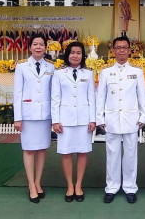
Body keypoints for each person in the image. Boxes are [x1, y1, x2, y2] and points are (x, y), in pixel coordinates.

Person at [96, 36, 145, 204]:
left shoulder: (137, 72)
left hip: (131, 119)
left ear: (129, 50)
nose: (121, 51)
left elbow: (142, 96)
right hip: (111, 119)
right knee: (112, 155)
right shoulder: (105, 72)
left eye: (124, 48)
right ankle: (111, 187)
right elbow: (100, 97)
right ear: (113, 50)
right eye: (118, 48)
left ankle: (130, 187)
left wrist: (143, 116)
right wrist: (100, 118)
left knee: (131, 155)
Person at [51, 42, 96, 202]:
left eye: (78, 53)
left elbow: (92, 98)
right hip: (65, 120)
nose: (75, 55)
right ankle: (70, 185)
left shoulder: (88, 74)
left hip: (84, 120)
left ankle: (79, 185)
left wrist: (93, 119)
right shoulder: (59, 74)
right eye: (72, 52)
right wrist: (55, 121)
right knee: (66, 152)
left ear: (83, 55)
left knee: (83, 152)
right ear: (67, 55)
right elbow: (55, 98)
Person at [13, 33, 55, 203]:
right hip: (28, 115)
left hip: (45, 115)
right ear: (30, 47)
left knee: (42, 148)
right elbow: (17, 93)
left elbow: (54, 93)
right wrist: (18, 118)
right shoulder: (22, 67)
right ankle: (31, 184)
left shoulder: (51, 68)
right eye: (35, 44)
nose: (38, 47)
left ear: (45, 48)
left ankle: (38, 182)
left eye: (41, 44)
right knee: (29, 149)